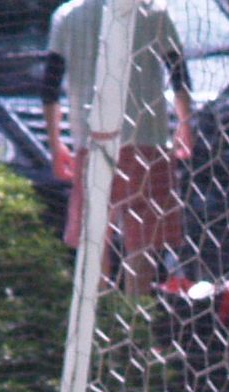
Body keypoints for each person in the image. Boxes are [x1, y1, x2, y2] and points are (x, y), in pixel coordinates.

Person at [42, 0, 194, 296]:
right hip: (147, 139)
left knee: (96, 239)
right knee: (143, 244)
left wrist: (55, 142)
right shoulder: (154, 11)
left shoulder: (68, 15)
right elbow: (179, 76)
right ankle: (134, 321)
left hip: (93, 139)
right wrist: (185, 125)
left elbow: (49, 85)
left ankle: (100, 321)